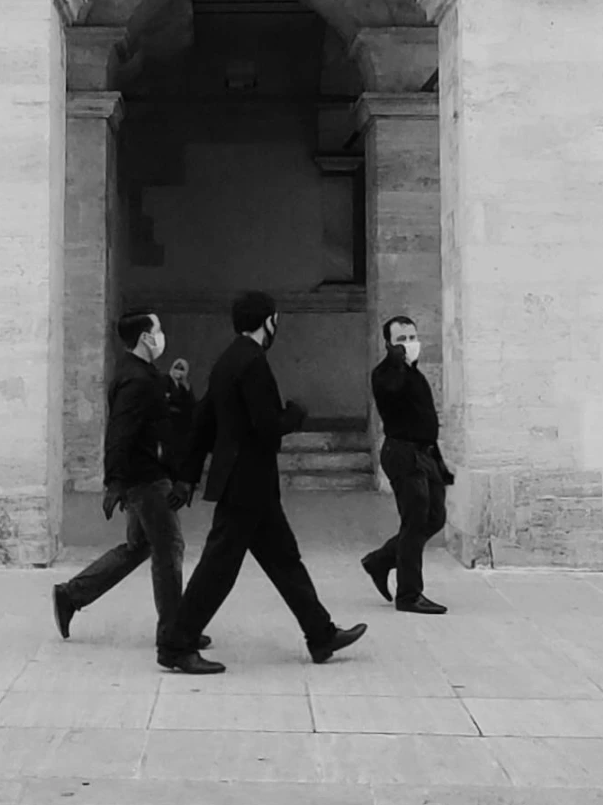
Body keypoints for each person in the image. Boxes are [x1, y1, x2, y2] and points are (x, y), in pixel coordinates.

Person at [157, 289, 367, 675]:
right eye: (276, 319)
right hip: (247, 484)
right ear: (268, 321)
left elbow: (205, 422)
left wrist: (187, 477)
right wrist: (295, 415)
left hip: (248, 484)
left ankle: (320, 635)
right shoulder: (252, 363)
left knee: (284, 560)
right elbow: (266, 428)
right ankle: (176, 644)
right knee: (219, 567)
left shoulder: (226, 361)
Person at [52, 310, 208, 656]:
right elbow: (120, 433)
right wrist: (114, 481)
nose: (162, 336)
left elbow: (162, 416)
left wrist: (179, 389)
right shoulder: (135, 380)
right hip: (146, 479)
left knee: (140, 547)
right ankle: (173, 634)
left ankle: (72, 594)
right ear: (144, 338)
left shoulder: (143, 374)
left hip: (146, 475)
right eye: (158, 330)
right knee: (169, 550)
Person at [360, 314, 454, 614]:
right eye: (401, 340)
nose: (409, 345)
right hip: (402, 454)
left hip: (425, 454)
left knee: (435, 518)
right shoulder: (385, 374)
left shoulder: (415, 374)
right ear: (388, 344)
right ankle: (409, 595)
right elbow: (393, 390)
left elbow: (425, 420)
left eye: (412, 338)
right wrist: (399, 359)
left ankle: (380, 561)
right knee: (414, 522)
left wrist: (439, 463)